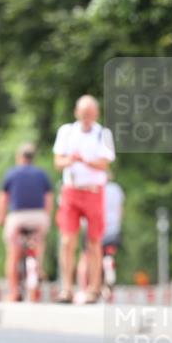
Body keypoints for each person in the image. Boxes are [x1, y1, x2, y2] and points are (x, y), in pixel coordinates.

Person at [52, 95, 115, 303]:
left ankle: (93, 287)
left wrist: (85, 160)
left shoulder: (102, 134)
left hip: (94, 191)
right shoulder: (67, 132)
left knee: (94, 241)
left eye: (90, 114)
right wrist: (70, 160)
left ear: (95, 114)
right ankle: (67, 287)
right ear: (76, 113)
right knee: (67, 239)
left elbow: (105, 164)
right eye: (83, 113)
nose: (86, 118)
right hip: (71, 190)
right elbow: (58, 161)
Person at [0, 143, 53, 301]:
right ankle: (39, 266)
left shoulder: (11, 173)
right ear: (33, 158)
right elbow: (48, 198)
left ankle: (13, 292)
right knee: (38, 242)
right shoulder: (41, 174)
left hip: (17, 217)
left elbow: (2, 198)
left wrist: (0, 216)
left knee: (13, 252)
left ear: (18, 157)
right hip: (38, 217)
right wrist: (46, 217)